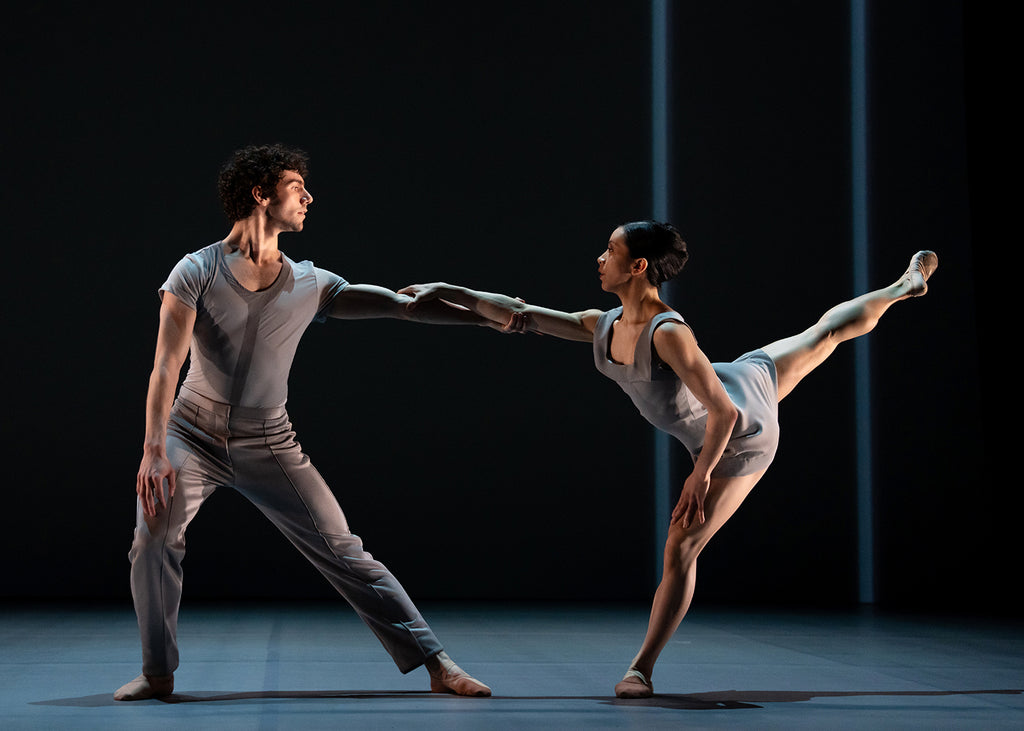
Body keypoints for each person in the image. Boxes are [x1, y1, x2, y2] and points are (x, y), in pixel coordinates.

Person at [399, 220, 938, 698]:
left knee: (680, 548)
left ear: (636, 266)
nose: (599, 259)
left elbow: (723, 417)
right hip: (742, 374)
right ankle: (904, 286)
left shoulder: (670, 333)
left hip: (741, 435)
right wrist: (452, 292)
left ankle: (641, 670)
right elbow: (523, 315)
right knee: (825, 332)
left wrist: (699, 477)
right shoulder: (604, 324)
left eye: (608, 251)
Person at [114, 144, 496, 701]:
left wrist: (494, 315)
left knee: (344, 549)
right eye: (297, 186)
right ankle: (157, 672)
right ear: (260, 193)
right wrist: (153, 451)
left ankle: (437, 663)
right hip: (189, 434)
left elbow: (402, 305)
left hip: (269, 441)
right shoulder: (195, 270)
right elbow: (165, 366)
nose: (309, 197)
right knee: (152, 539)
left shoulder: (312, 283)